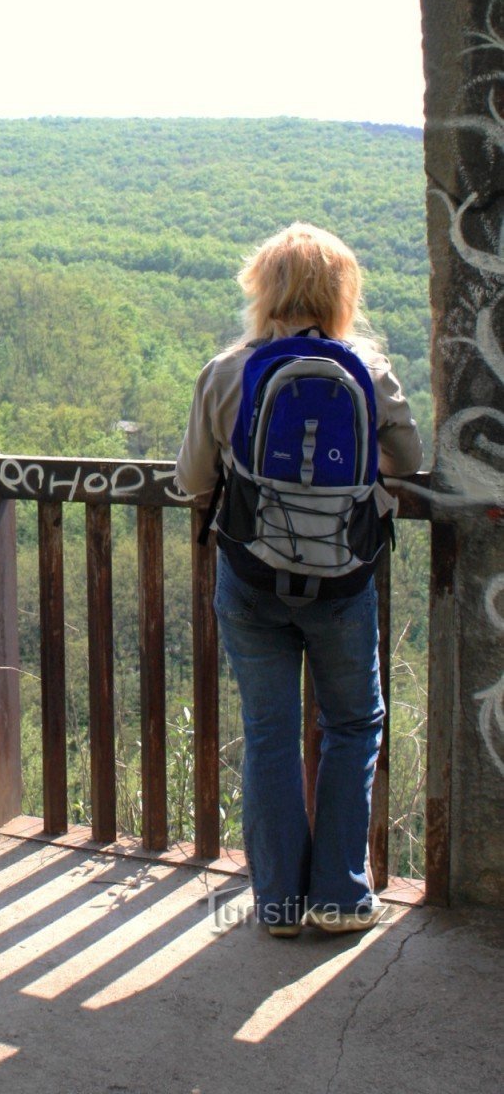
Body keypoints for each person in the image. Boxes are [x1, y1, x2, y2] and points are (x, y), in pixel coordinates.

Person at [176, 223, 422, 937]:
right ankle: (342, 895)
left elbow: (192, 479)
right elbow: (405, 462)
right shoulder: (366, 370)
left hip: (249, 578)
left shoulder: (226, 372)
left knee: (269, 733)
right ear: (340, 294)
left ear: (262, 289)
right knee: (350, 725)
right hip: (343, 581)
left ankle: (279, 902)